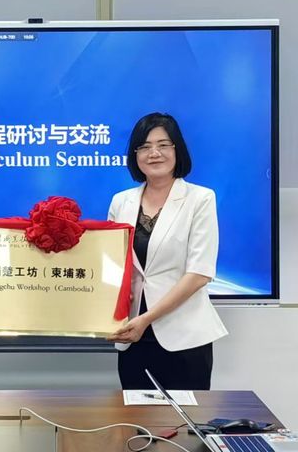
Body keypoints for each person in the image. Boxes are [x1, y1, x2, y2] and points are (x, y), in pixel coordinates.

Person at [107, 112, 227, 390]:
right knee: (136, 416)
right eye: (145, 146)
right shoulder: (121, 202)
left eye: (163, 145)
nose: (154, 153)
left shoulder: (200, 198)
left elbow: (199, 273)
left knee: (185, 417)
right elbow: (114, 266)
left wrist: (147, 319)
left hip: (184, 335)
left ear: (177, 150)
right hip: (133, 335)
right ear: (135, 155)